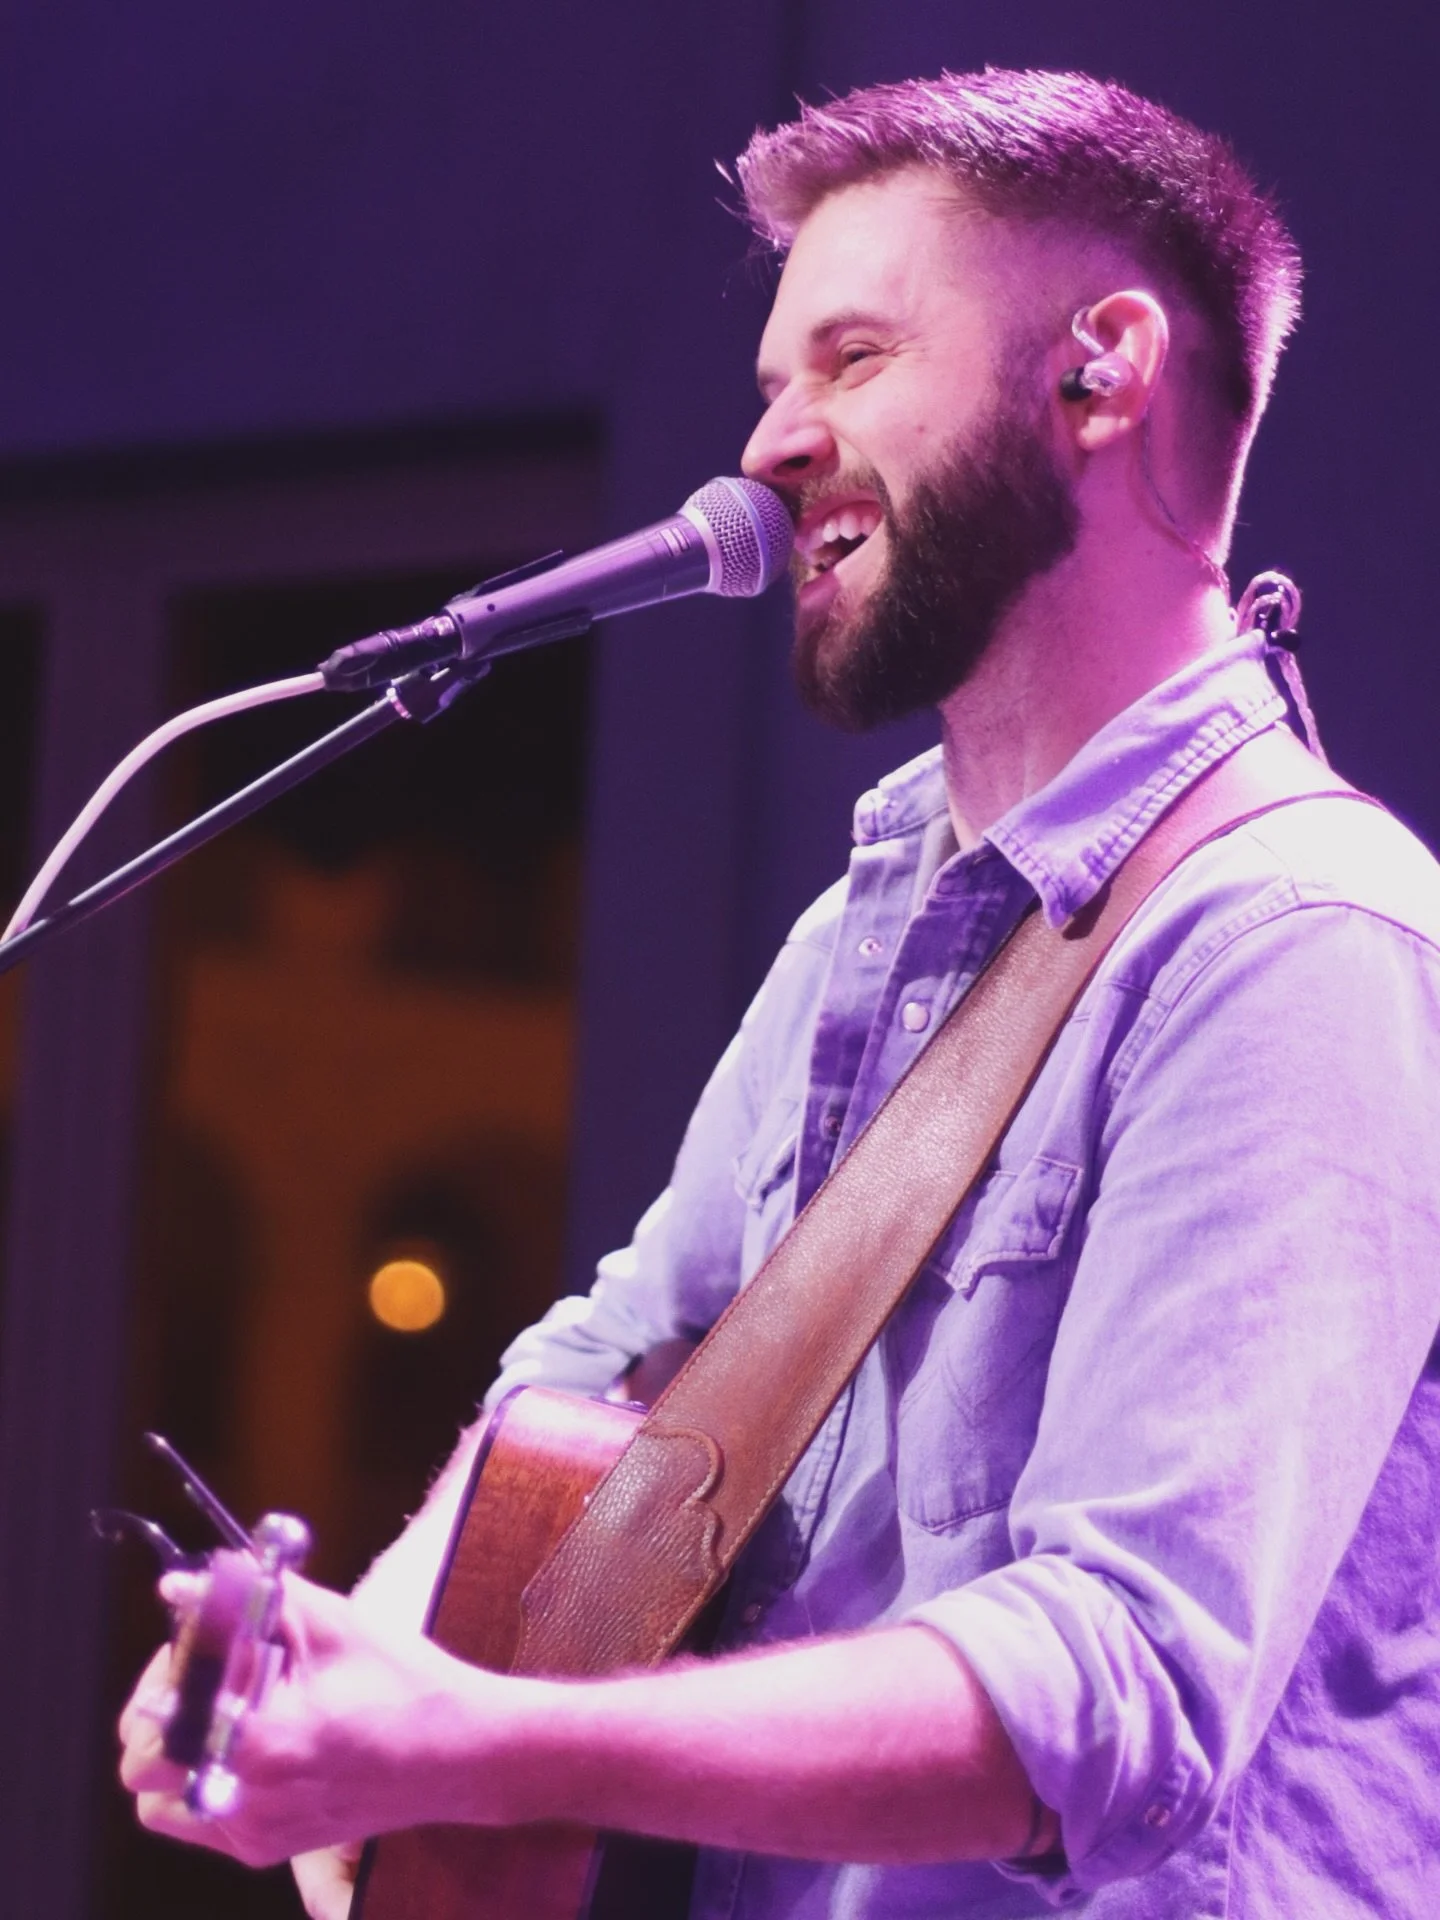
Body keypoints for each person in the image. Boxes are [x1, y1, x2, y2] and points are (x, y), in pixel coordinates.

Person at [120, 68, 1440, 1917]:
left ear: (1103, 371)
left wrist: (480, 1742)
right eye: (770, 383)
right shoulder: (865, 927)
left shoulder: (1300, 938)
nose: (770, 446)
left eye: (855, 358)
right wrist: (356, 1673)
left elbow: (1117, 1685)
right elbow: (609, 1375)